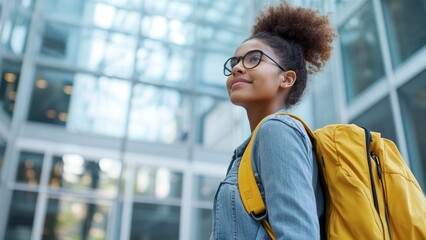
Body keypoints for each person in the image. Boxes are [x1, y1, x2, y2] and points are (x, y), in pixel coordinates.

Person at [210, 1, 336, 239]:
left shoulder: (276, 131)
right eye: (235, 62)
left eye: (253, 59)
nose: (237, 68)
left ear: (286, 79)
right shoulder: (251, 148)